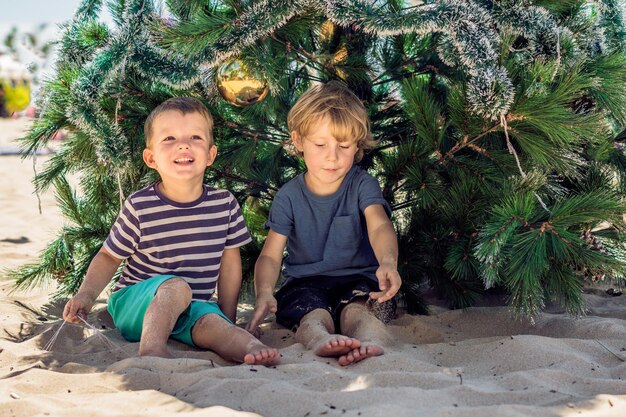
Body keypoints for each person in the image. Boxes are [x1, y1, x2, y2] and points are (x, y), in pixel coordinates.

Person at [63, 97, 279, 365]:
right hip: (135, 304)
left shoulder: (224, 204)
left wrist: (228, 315)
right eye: (169, 139)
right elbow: (109, 256)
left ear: (211, 154)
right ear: (151, 158)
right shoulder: (140, 206)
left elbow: (230, 264)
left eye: (195, 137)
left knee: (213, 323)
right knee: (176, 287)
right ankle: (152, 350)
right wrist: (86, 294)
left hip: (190, 307)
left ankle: (250, 348)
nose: (184, 144)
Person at [246, 82, 401, 366]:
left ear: (357, 146)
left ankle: (371, 342)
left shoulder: (362, 185)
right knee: (312, 314)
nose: (333, 156)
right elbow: (270, 254)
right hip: (305, 283)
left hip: (360, 280)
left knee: (358, 312)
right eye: (320, 145)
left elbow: (379, 225)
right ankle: (320, 340)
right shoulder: (289, 196)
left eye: (343, 145)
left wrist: (388, 262)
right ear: (299, 141)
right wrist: (264, 291)